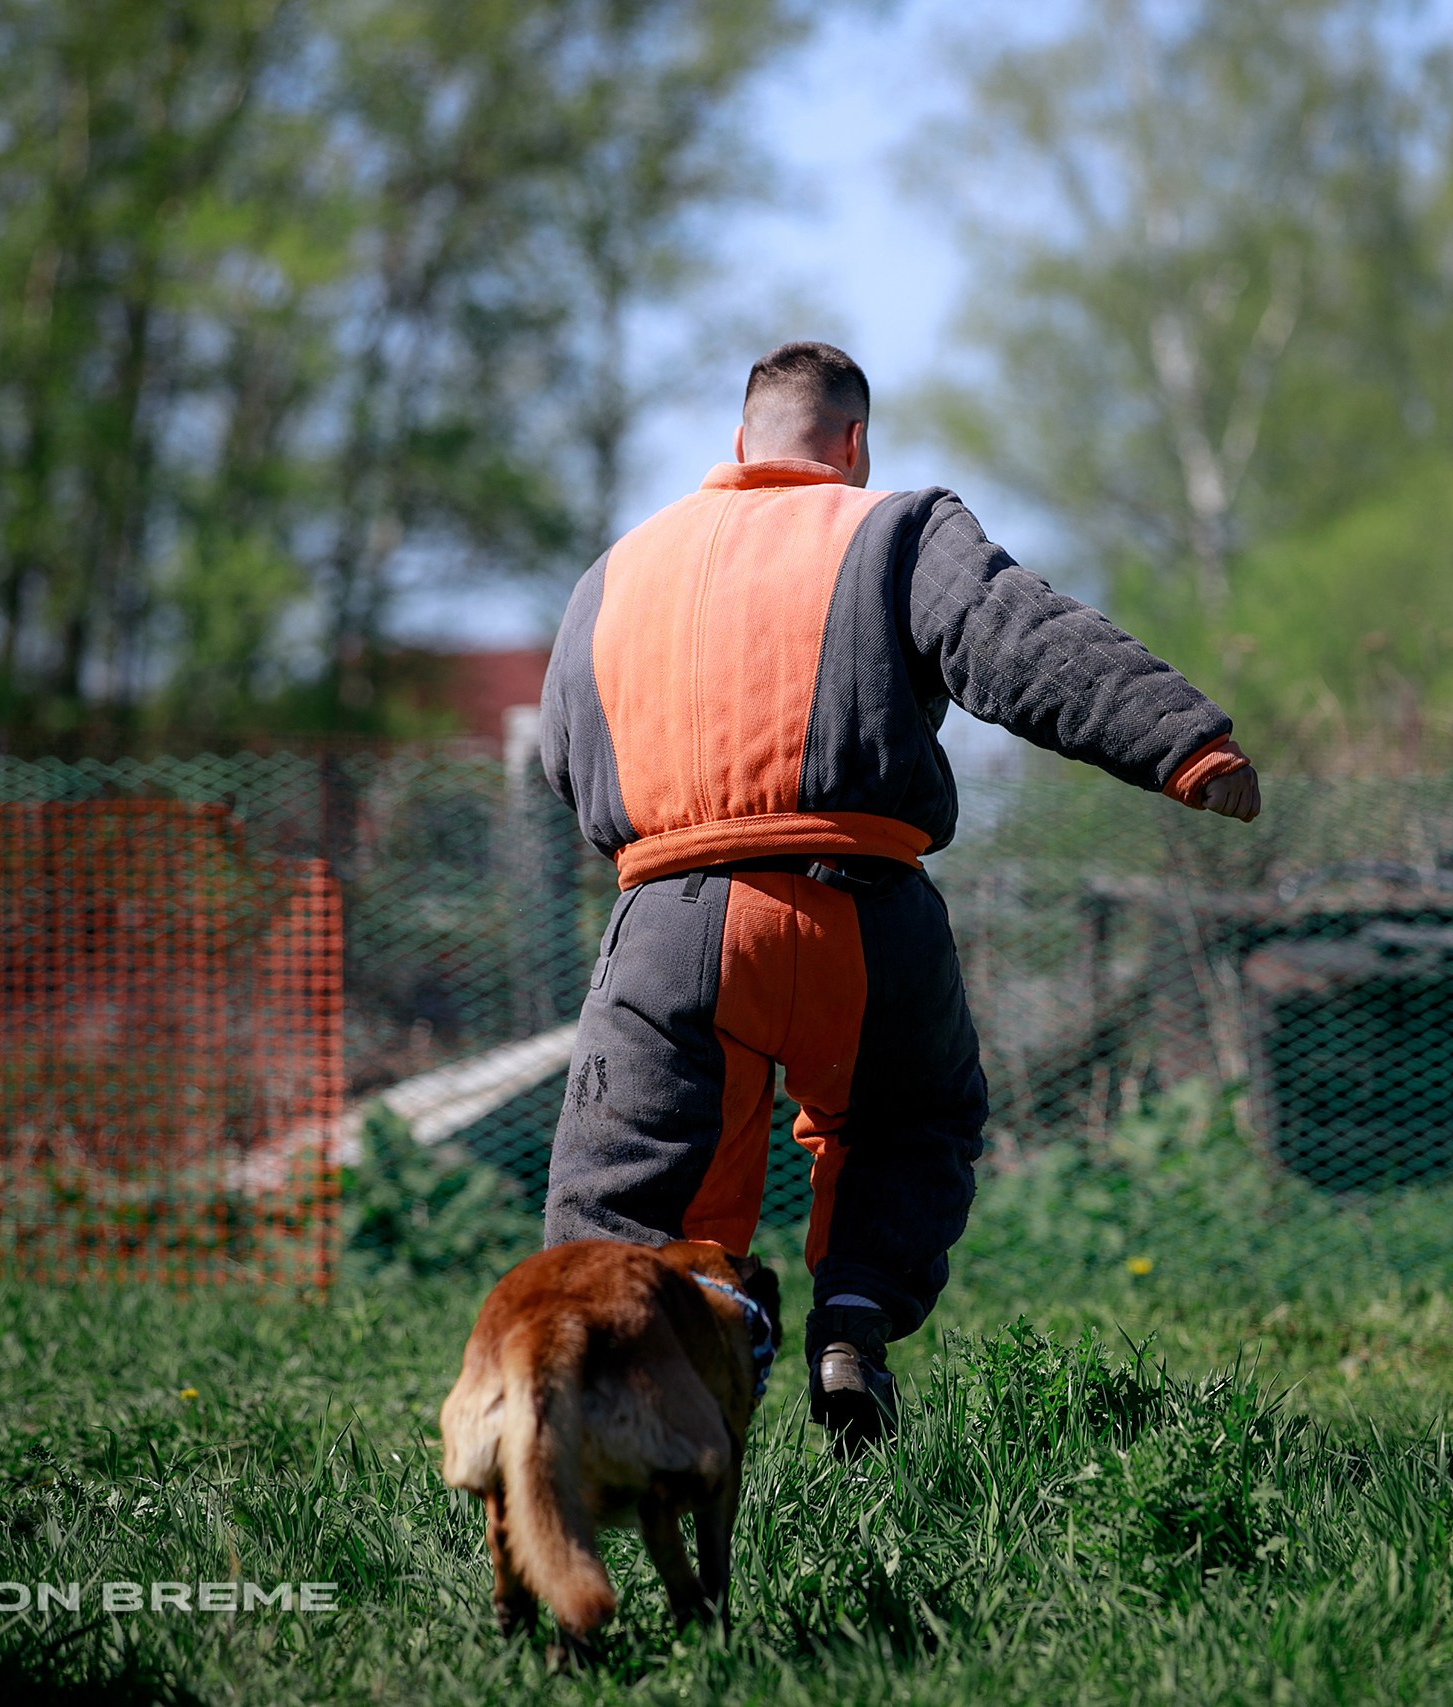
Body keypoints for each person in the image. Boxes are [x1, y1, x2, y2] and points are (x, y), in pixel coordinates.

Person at [537, 341, 1260, 1453]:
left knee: (632, 1205)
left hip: (670, 921)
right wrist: (1185, 746)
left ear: (738, 446)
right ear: (854, 445)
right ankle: (854, 1322)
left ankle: (657, 1378)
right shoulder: (894, 526)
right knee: (907, 1123)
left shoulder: (614, 571)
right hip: (861, 913)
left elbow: (561, 757)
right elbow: (1019, 639)